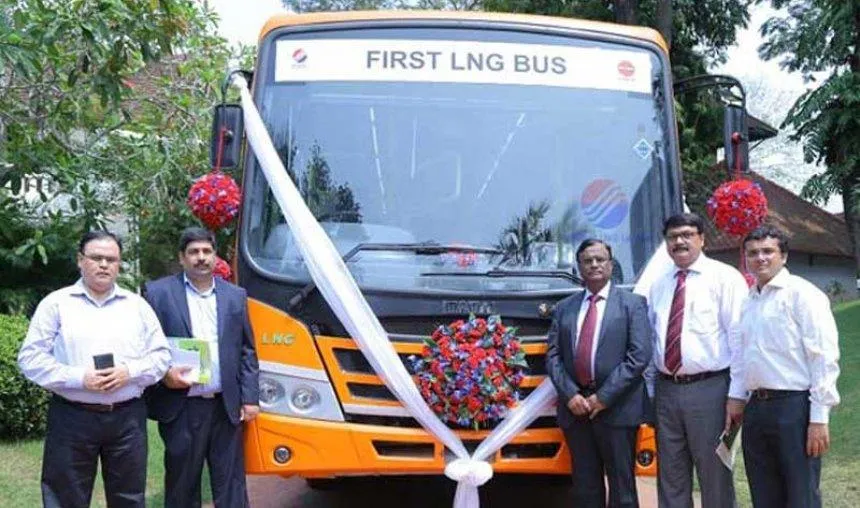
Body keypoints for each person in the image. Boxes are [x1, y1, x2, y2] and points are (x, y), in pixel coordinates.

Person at [18, 230, 171, 508]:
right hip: (72, 417)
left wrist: (130, 372)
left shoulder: (137, 306)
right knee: (64, 498)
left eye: (111, 259)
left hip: (127, 418)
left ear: (119, 264)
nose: (104, 265)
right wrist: (79, 378)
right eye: (96, 258)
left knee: (129, 498)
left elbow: (161, 357)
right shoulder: (56, 304)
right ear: (80, 260)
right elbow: (30, 359)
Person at [144, 226, 260, 508]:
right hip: (182, 405)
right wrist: (163, 375)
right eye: (193, 252)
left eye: (207, 251)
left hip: (225, 406)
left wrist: (250, 398)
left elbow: (247, 350)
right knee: (182, 483)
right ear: (181, 258)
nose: (201, 257)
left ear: (215, 256)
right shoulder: (158, 293)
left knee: (231, 483)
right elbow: (144, 346)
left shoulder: (235, 295)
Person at [648, 213, 747, 508]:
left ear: (702, 239)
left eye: (687, 235)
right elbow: (653, 339)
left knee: (714, 473)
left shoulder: (725, 278)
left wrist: (737, 396)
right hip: (666, 390)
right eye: (672, 237)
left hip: (711, 390)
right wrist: (652, 392)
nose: (679, 241)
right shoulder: (658, 283)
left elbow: (739, 339)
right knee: (670, 476)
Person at [736, 225, 840, 507]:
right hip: (756, 409)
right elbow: (742, 356)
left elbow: (823, 357)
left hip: (794, 409)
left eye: (767, 251)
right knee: (764, 495)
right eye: (753, 253)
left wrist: (819, 418)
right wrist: (738, 400)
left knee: (800, 494)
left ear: (783, 256)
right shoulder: (748, 301)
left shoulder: (803, 295)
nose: (760, 258)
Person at [546, 239, 652, 507]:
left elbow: (639, 356)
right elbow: (553, 357)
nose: (594, 265)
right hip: (576, 410)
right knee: (585, 487)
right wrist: (570, 395)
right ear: (579, 267)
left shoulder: (633, 304)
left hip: (617, 408)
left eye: (600, 259)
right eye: (587, 261)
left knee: (622, 489)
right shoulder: (564, 307)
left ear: (611, 264)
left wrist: (603, 397)